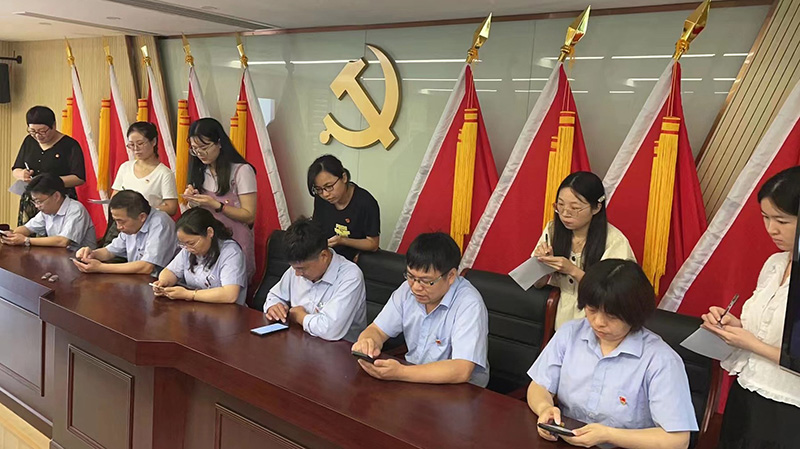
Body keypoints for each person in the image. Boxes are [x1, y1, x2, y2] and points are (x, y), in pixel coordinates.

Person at [527, 259, 697, 449]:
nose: (598, 322)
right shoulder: (570, 333)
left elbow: (678, 440)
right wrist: (545, 408)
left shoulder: (661, 360)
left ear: (635, 313)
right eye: (591, 310)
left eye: (612, 316)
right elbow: (539, 386)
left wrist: (608, 435)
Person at [701, 166, 800, 449]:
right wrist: (736, 327)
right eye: (765, 218)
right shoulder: (775, 264)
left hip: (789, 409)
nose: (771, 229)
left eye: (782, 220)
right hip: (746, 394)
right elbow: (770, 331)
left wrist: (750, 343)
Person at [351, 232, 489, 386]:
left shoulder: (469, 303)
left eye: (426, 281)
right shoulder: (406, 290)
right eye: (411, 276)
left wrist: (401, 372)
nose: (416, 287)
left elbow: (462, 369)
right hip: (415, 378)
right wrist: (367, 342)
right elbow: (377, 330)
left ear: (451, 276)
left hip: (460, 389)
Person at [531, 171, 635, 329]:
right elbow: (537, 285)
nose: (565, 213)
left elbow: (614, 295)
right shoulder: (552, 230)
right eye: (560, 205)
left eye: (575, 208)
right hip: (557, 319)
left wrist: (572, 270)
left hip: (598, 322)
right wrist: (541, 266)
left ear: (596, 208)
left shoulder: (614, 241)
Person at [263, 217, 367, 342]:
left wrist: (299, 316)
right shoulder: (298, 267)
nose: (297, 274)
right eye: (294, 268)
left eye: (302, 269)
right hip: (300, 341)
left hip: (339, 348)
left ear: (324, 256)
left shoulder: (350, 276)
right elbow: (274, 296)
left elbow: (330, 329)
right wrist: (274, 307)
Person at [183, 118, 256, 279]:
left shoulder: (242, 171)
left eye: (204, 147)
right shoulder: (200, 171)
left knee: (231, 285)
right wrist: (192, 203)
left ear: (219, 143)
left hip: (235, 241)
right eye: (194, 149)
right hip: (208, 245)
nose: (200, 153)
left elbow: (249, 215)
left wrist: (217, 205)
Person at [154, 208, 248, 305]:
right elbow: (170, 271)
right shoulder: (188, 249)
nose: (187, 248)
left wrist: (189, 294)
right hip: (197, 308)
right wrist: (163, 282)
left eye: (191, 243)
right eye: (183, 244)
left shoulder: (231, 252)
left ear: (209, 232)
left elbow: (230, 295)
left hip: (227, 311)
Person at [12, 106, 86, 226]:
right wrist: (22, 174)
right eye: (32, 131)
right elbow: (16, 169)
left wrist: (49, 182)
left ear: (54, 125)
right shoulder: (29, 141)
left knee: (54, 234)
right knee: (26, 233)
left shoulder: (70, 145)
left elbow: (79, 178)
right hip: (32, 201)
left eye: (42, 131)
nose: (38, 136)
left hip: (57, 200)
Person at [72, 190, 176, 275]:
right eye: (116, 221)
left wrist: (101, 267)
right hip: (137, 281)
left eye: (121, 221)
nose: (118, 227)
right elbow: (110, 252)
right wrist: (91, 254)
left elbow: (146, 267)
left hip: (162, 285)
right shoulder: (131, 225)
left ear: (142, 217)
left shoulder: (160, 223)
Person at [309, 154, 380, 261]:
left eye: (329, 186)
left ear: (344, 177)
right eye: (319, 189)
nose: (325, 194)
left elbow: (373, 244)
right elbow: (317, 229)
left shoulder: (366, 202)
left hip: (353, 260)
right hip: (327, 257)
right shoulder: (321, 199)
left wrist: (342, 240)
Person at [1, 174, 95, 250]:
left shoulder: (76, 209)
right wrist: (12, 235)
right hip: (58, 258)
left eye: (39, 201)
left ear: (56, 196)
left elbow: (62, 241)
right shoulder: (47, 211)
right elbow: (27, 228)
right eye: (34, 202)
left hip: (81, 261)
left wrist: (26, 240)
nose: (37, 206)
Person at [111, 122, 178, 215]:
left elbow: (171, 208)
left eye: (140, 143)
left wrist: (144, 209)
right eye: (131, 145)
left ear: (153, 142)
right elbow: (114, 199)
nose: (136, 148)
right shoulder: (125, 167)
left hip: (150, 221)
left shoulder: (164, 173)